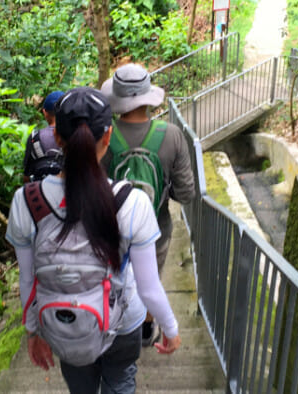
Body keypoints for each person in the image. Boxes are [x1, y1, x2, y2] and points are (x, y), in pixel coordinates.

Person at [6, 87, 181, 393]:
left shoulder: (27, 201)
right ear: (108, 136)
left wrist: (33, 331)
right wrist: (170, 328)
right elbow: (149, 287)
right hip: (124, 321)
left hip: (64, 322)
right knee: (120, 381)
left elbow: (27, 279)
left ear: (57, 136)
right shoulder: (132, 201)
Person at [100, 63, 195, 347]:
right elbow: (186, 193)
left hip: (109, 229)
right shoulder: (172, 135)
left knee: (113, 277)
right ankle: (145, 332)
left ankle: (111, 325)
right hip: (156, 228)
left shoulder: (103, 137)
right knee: (149, 280)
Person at [22, 90, 65, 182]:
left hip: (40, 189)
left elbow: (26, 175)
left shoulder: (35, 137)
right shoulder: (76, 136)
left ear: (45, 112)